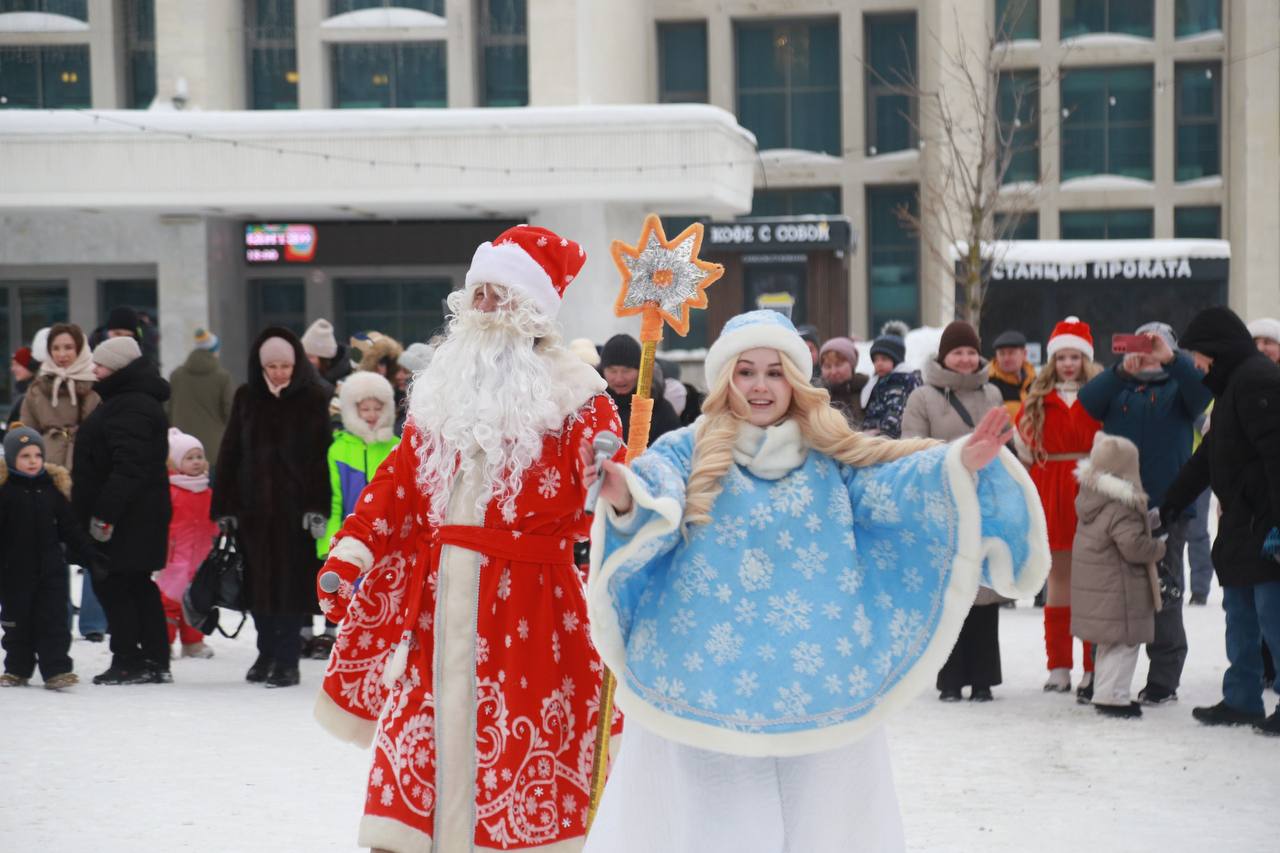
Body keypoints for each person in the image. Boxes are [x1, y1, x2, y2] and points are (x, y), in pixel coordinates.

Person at [582, 310, 1047, 851]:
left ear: (797, 381)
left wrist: (959, 463)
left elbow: (893, 481)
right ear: (726, 378)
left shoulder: (829, 453)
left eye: (774, 372)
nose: (760, 386)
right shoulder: (689, 448)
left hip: (818, 674)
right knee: (715, 818)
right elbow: (655, 488)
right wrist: (624, 492)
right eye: (746, 371)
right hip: (708, 674)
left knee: (825, 819)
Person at [314, 225, 624, 852]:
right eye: (476, 292)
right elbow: (399, 483)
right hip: (435, 611)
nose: (482, 306)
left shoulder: (578, 398)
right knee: (416, 759)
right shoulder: (442, 390)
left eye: (497, 294)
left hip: (530, 610)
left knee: (516, 750)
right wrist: (354, 549)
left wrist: (613, 478)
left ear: (531, 308)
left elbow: (608, 488)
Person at [1162, 307, 1280, 734]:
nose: (1195, 364)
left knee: (1273, 617)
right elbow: (1209, 455)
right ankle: (1241, 700)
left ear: (1215, 350)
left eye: (1196, 355)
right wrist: (1171, 504)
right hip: (1240, 524)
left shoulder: (1258, 381)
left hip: (1264, 524)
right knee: (1241, 616)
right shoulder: (1232, 386)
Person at [1077, 321, 1208, 705]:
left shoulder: (1181, 388)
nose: (1150, 352)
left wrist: (1173, 361)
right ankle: (1103, 676)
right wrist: (1121, 371)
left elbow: (1203, 395)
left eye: (1158, 346)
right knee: (1110, 594)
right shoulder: (1117, 386)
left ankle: (1163, 680)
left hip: (1169, 507)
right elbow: (1088, 402)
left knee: (1164, 593)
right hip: (1116, 507)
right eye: (1144, 344)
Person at [212, 328, 331, 689]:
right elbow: (230, 452)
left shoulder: (312, 399)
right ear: (261, 366)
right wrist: (225, 506)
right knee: (257, 587)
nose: (279, 373)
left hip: (296, 514)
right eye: (272, 366)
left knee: (291, 587)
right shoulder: (247, 397)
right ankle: (266, 652)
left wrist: (317, 507)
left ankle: (287, 658)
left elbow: (320, 458)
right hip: (253, 511)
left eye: (285, 366)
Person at [902, 321, 1008, 702]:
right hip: (941, 502)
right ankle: (949, 678)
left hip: (984, 502)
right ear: (943, 356)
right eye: (957, 352)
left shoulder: (992, 392)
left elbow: (1004, 444)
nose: (965, 359)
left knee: (983, 591)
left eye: (970, 352)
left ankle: (983, 679)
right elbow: (911, 447)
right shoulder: (923, 397)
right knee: (949, 592)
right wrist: (956, 461)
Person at [72, 336, 173, 686]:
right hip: (137, 514)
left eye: (100, 364)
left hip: (128, 518)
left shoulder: (130, 405)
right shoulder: (128, 400)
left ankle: (130, 658)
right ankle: (154, 659)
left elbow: (129, 468)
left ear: (118, 367)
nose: (94, 370)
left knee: (117, 585)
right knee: (136, 585)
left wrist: (104, 516)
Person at [1015, 316, 1103, 695]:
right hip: (1050, 490)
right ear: (1053, 360)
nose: (1068, 364)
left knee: (1092, 583)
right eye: (1062, 357)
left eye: (1075, 356)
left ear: (1086, 359)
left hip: (1091, 489)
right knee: (1059, 581)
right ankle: (1059, 666)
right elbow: (1023, 449)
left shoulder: (1100, 395)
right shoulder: (1037, 399)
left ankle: (1093, 667)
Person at [1071, 433, 1167, 719]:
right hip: (1120, 591)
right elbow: (1133, 547)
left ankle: (1104, 691)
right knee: (1125, 644)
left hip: (1103, 589)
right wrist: (1158, 547)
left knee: (1108, 645)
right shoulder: (1122, 505)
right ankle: (1113, 697)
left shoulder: (1093, 498)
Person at [310, 371, 398, 660]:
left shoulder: (397, 447)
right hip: (352, 540)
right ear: (352, 410)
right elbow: (334, 499)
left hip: (389, 542)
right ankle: (348, 647)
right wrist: (329, 542)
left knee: (383, 601)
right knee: (349, 597)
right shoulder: (339, 450)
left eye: (377, 408)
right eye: (365, 409)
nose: (372, 415)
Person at [0, 427, 95, 690]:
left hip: (51, 571)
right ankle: (17, 669)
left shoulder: (52, 491)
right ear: (11, 459)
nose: (33, 461)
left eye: (37, 455)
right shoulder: (5, 493)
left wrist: (89, 553)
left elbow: (70, 528)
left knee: (53, 620)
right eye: (25, 456)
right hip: (14, 572)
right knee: (17, 623)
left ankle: (56, 670)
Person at [154, 428, 217, 660]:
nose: (196, 462)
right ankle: (164, 643)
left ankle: (193, 642)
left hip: (201, 558)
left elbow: (214, 523)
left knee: (196, 602)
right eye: (189, 458)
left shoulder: (207, 492)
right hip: (173, 559)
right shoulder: (169, 491)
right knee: (168, 603)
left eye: (199, 456)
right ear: (175, 462)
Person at [1247, 319, 1280, 688]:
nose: (1261, 348)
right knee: (1259, 595)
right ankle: (1264, 664)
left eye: (1269, 341)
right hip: (1251, 504)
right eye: (1254, 341)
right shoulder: (1238, 385)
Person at [19, 322, 99, 471]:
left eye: (68, 347)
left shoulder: (96, 384)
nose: (61, 354)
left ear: (80, 348)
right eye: (55, 348)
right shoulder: (37, 388)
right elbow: (25, 434)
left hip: (89, 464)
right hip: (46, 467)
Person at [167, 328, 234, 470]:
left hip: (181, 450)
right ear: (214, 351)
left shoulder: (176, 376)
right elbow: (229, 412)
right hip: (213, 450)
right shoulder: (222, 377)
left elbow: (167, 410)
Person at [601, 332, 681, 445]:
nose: (619, 379)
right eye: (612, 371)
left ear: (641, 371)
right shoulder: (592, 408)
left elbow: (674, 450)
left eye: (626, 371)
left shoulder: (660, 410)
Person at [861, 321, 921, 439]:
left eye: (884, 359)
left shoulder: (900, 382)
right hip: (873, 435)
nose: (879, 363)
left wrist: (883, 433)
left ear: (896, 360)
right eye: (875, 360)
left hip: (889, 438)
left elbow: (896, 411)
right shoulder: (877, 382)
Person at [818, 336, 868, 428]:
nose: (833, 371)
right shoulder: (817, 395)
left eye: (838, 365)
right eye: (827, 366)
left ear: (852, 365)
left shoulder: (868, 390)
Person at [989, 330, 1035, 421]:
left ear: (1024, 354)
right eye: (1002, 353)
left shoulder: (1035, 383)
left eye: (1011, 353)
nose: (1006, 358)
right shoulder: (989, 385)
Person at [302, 318, 352, 396]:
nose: (305, 360)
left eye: (310, 356)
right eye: (303, 355)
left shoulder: (349, 380)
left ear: (324, 359)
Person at [8, 346, 38, 431]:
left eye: (17, 365)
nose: (12, 369)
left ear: (30, 366)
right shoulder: (20, 390)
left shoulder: (35, 393)